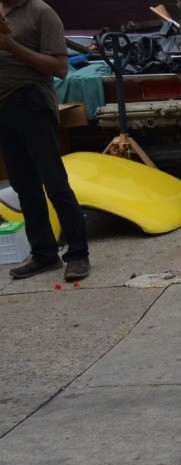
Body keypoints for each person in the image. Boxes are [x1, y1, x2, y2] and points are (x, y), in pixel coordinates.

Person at [0, 0, 89, 280]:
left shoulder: (40, 12)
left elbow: (60, 68)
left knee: (54, 182)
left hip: (32, 102)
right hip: (3, 108)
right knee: (24, 186)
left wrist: (10, 45)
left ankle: (78, 255)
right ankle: (44, 254)